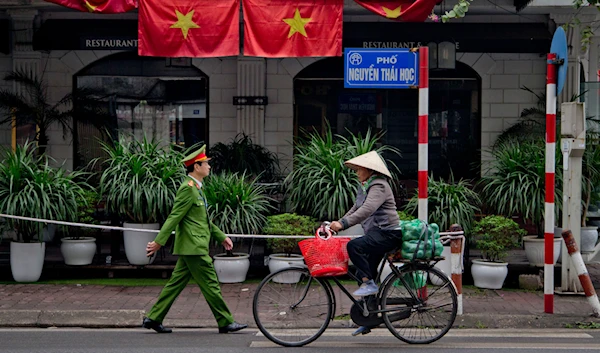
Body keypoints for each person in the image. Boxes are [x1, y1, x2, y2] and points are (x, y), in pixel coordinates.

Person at [142, 145, 247, 334]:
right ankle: (225, 321)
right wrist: (159, 242)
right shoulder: (188, 189)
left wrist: (221, 237)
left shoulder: (197, 188)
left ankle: (154, 317)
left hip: (191, 247)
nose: (209, 166)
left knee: (175, 284)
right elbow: (174, 217)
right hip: (194, 247)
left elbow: (203, 220)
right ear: (196, 167)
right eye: (206, 163)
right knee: (211, 284)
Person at [329, 151, 401, 337]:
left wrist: (343, 224)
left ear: (369, 170)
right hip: (376, 234)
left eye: (359, 169)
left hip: (388, 234)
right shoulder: (365, 186)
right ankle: (369, 318)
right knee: (364, 271)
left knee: (354, 247)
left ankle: (369, 284)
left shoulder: (379, 186)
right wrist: (337, 223)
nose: (356, 172)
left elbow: (368, 209)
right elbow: (356, 208)